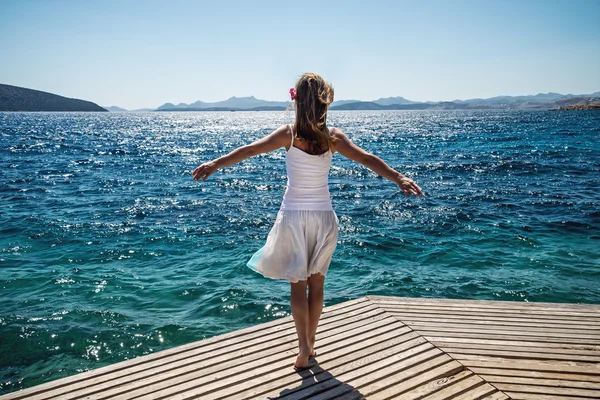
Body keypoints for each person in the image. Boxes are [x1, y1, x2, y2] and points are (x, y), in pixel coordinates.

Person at [192, 72, 423, 369]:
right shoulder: (333, 138)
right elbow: (366, 158)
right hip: (324, 218)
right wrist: (397, 177)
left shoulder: (287, 134)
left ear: (298, 101)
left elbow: (249, 151)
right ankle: (311, 345)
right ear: (324, 101)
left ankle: (303, 347)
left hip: (293, 218)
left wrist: (215, 163)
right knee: (317, 285)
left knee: (297, 287)